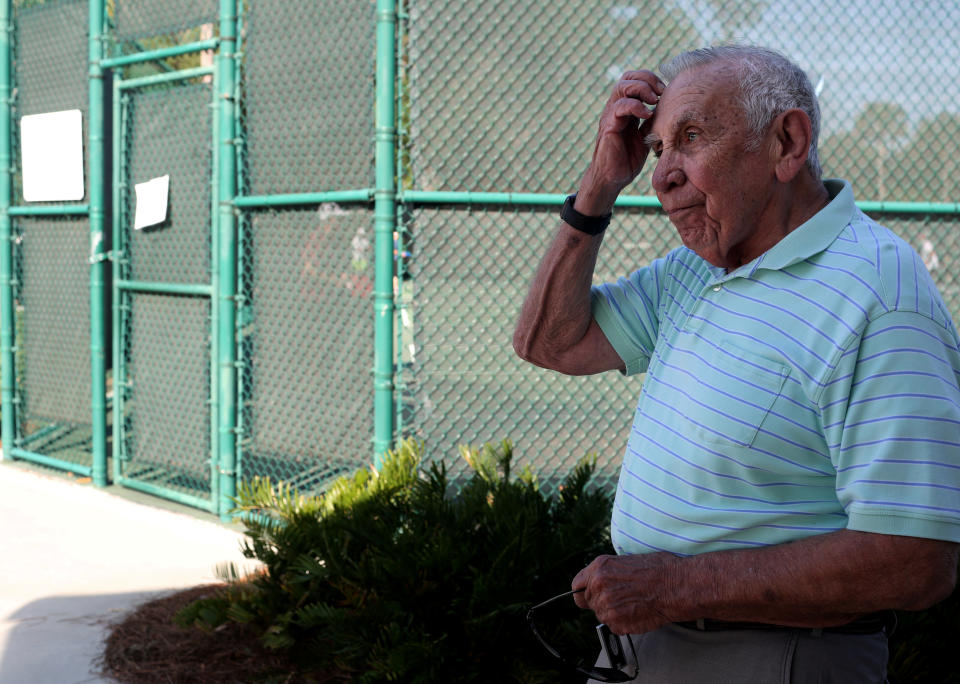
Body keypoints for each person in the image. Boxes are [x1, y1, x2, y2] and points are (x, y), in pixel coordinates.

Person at [513, 45, 960, 683]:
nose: (662, 175)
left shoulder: (878, 289)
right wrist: (598, 184)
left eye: (690, 137)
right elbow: (548, 343)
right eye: (658, 147)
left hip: (779, 658)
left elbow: (915, 560)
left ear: (786, 141)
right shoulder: (694, 272)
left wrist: (674, 588)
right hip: (642, 646)